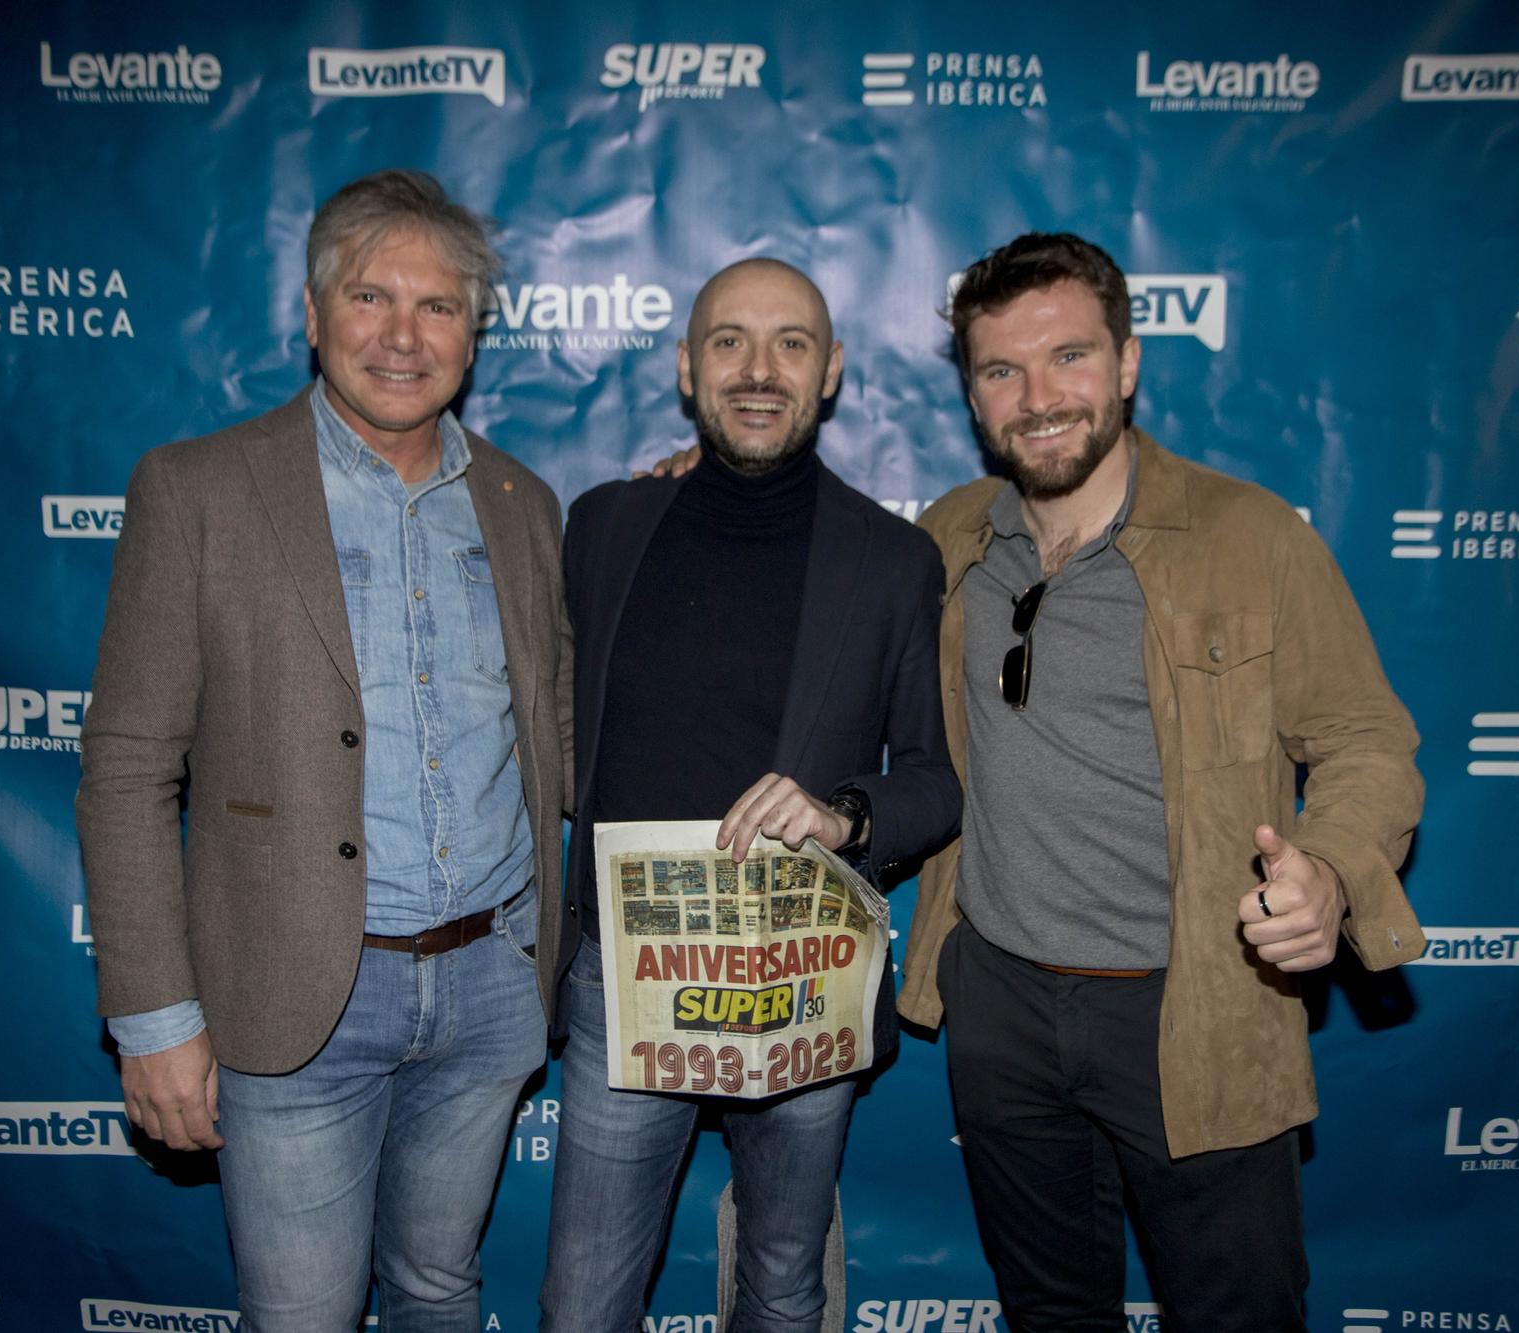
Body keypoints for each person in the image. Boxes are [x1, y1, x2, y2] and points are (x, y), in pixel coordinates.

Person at [897, 232, 1426, 1331]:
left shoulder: (1248, 538)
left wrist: (1327, 867)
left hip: (1195, 1004)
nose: (1037, 397)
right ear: (969, 393)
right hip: (997, 998)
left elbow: (1365, 738)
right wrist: (691, 477)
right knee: (1048, 1309)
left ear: (1128, 363)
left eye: (1069, 358)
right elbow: (805, 553)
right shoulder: (949, 539)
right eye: (1001, 370)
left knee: (1236, 1311)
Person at [76, 169, 569, 1332]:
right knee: (300, 1313)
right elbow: (129, 770)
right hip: (291, 999)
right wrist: (154, 1017)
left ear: (474, 331)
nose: (402, 335)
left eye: (437, 306)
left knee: (442, 1287)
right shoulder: (196, 489)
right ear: (310, 313)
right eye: (368, 297)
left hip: (493, 984)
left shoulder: (522, 501)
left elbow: (553, 732)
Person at [540, 259, 962, 1332]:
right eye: (729, 340)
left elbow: (934, 783)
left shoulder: (893, 558)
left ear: (828, 375)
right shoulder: (601, 527)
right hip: (625, 977)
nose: (758, 369)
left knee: (780, 1281)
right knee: (584, 1300)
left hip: (801, 972)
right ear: (686, 369)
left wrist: (842, 816)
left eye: (790, 343)